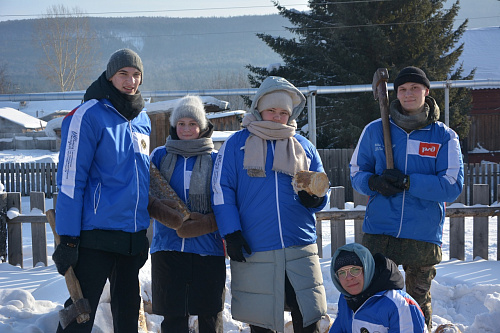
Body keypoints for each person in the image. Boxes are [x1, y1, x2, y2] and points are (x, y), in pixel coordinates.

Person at [349, 66, 464, 331]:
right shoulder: (375, 130)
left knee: (416, 304)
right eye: (402, 89)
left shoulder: (444, 136)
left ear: (426, 91)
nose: (408, 93)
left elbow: (452, 185)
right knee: (374, 298)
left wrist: (409, 182)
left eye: (414, 88)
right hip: (380, 230)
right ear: (395, 93)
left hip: (422, 233)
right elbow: (356, 173)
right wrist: (374, 182)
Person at [53, 48, 159, 333]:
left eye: (136, 75)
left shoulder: (142, 120)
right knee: (78, 316)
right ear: (110, 76)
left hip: (130, 239)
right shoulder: (88, 115)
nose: (130, 81)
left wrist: (140, 234)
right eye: (123, 74)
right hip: (94, 238)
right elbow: (70, 181)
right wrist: (68, 240)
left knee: (127, 318)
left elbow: (140, 179)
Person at [212, 76, 329, 333]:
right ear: (258, 109)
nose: (277, 117)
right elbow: (222, 191)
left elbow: (321, 187)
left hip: (300, 245)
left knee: (307, 318)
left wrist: (316, 198)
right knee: (263, 323)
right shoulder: (235, 145)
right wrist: (231, 233)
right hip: (256, 246)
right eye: (271, 110)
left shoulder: (304, 147)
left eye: (283, 112)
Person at [150, 95, 225, 333]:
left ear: (202, 126)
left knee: (209, 316)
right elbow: (148, 193)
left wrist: (208, 223)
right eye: (181, 123)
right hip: (168, 247)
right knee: (172, 318)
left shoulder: (215, 159)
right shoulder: (160, 156)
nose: (186, 129)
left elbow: (226, 199)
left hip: (207, 248)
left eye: (192, 123)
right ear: (174, 125)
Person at [329, 243, 427, 333]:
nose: (349, 278)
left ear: (367, 270)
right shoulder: (345, 299)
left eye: (355, 270)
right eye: (342, 273)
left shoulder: (399, 305)